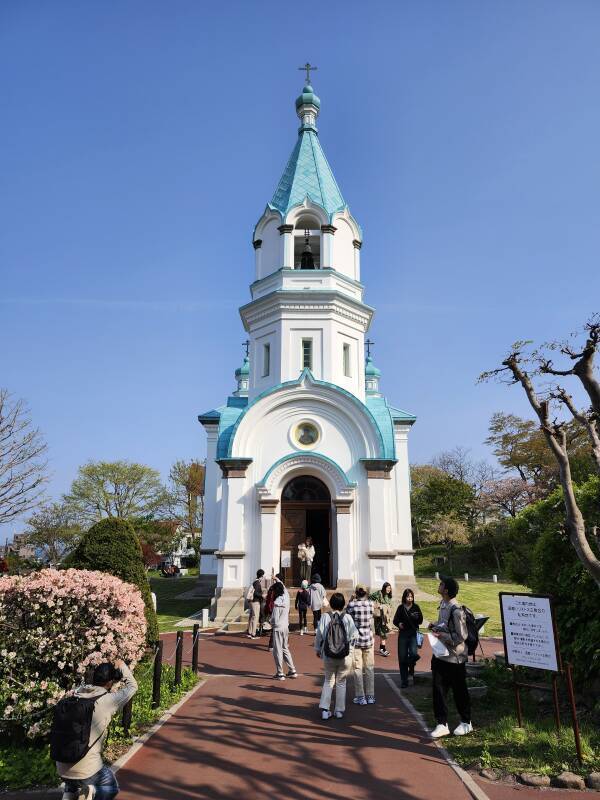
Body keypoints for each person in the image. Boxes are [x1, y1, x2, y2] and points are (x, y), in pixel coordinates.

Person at [55, 659, 137, 800]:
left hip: (61, 766)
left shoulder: (77, 693)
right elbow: (132, 687)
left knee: (74, 777)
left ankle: (69, 792)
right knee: (109, 785)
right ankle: (90, 790)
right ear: (110, 682)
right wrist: (122, 666)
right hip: (87, 771)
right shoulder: (108, 701)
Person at [428, 576, 472, 739]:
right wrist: (435, 626)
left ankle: (466, 722)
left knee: (459, 691)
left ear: (446, 590)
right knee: (438, 689)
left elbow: (460, 636)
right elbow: (445, 626)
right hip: (440, 656)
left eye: (441, 584)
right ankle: (442, 724)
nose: (438, 585)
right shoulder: (443, 605)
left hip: (455, 658)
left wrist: (442, 636)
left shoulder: (456, 609)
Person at [314, 592, 358, 719]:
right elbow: (354, 635)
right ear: (343, 604)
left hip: (328, 654)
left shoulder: (325, 617)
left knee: (328, 681)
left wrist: (318, 649)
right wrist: (350, 649)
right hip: (345, 655)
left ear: (331, 604)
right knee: (341, 682)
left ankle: (325, 710)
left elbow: (319, 635)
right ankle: (339, 711)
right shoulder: (347, 617)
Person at [346, 584, 375, 705]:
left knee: (357, 668)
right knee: (369, 668)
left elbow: (347, 614)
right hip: (368, 638)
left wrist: (351, 600)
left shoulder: (352, 605)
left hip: (356, 639)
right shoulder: (370, 604)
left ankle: (360, 696)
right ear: (366, 593)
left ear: (356, 592)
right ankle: (370, 695)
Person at [393, 588, 423, 688]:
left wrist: (416, 617)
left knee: (414, 654)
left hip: (413, 633)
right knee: (402, 658)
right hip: (403, 635)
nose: (409, 598)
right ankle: (404, 681)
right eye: (408, 596)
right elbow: (395, 620)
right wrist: (399, 624)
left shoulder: (416, 607)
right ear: (404, 597)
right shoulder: (401, 608)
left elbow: (421, 621)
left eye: (411, 597)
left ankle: (411, 666)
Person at [270, 580, 298, 681]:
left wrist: (270, 623)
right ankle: (292, 670)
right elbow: (284, 588)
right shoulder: (286, 598)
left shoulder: (277, 603)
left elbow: (274, 619)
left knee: (277, 651)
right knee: (285, 648)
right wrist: (278, 580)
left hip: (278, 628)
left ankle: (280, 673)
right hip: (286, 627)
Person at [369, 581, 393, 657]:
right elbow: (370, 597)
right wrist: (378, 606)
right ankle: (382, 649)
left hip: (386, 617)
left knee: (384, 633)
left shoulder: (388, 597)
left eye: (390, 588)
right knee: (383, 633)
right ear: (384, 587)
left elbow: (389, 605)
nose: (389, 589)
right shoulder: (379, 593)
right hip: (379, 617)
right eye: (387, 588)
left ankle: (381, 648)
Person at [246, 569, 265, 639]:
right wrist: (262, 596)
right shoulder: (257, 583)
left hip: (251, 601)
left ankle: (249, 632)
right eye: (263, 576)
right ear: (261, 576)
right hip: (255, 601)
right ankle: (253, 634)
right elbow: (256, 593)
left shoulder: (254, 582)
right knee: (255, 617)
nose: (263, 578)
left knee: (251, 617)